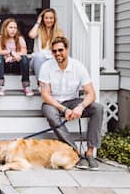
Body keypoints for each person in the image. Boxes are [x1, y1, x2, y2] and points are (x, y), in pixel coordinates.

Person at [39, 36, 103, 170]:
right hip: (53, 103)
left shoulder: (78, 66)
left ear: (67, 49)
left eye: (60, 50)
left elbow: (91, 93)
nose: (57, 54)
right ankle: (77, 153)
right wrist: (63, 109)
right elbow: (45, 95)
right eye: (54, 51)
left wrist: (81, 107)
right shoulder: (46, 66)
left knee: (98, 108)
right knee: (50, 114)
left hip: (73, 101)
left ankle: (90, 153)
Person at [0, 18, 34, 97]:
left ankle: (26, 86)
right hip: (4, 66)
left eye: (15, 28)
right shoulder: (0, 39)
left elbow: (24, 52)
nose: (13, 30)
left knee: (24, 58)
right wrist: (11, 52)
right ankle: (0, 86)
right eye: (11, 27)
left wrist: (13, 57)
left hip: (16, 66)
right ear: (5, 28)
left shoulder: (20, 39)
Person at [28, 8, 64, 86]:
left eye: (51, 18)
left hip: (51, 59)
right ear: (42, 19)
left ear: (54, 19)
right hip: (37, 61)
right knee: (40, 56)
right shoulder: (39, 30)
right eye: (46, 18)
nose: (48, 20)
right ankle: (41, 85)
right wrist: (38, 22)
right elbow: (31, 35)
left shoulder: (59, 32)